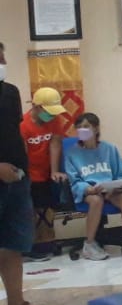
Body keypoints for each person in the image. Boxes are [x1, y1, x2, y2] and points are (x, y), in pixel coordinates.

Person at [0, 42, 57, 305]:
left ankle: (17, 303)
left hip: (18, 179)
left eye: (2, 55)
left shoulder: (9, 92)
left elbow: (11, 134)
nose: (2, 61)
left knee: (13, 243)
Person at [61, 112, 122, 261]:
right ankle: (89, 245)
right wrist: (87, 189)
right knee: (96, 200)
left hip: (109, 189)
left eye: (86, 126)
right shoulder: (71, 153)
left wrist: (118, 186)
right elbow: (73, 180)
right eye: (79, 127)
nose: (82, 130)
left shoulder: (109, 149)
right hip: (89, 191)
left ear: (96, 129)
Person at [20, 86, 71, 261]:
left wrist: (54, 171)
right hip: (27, 172)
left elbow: (55, 144)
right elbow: (21, 154)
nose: (52, 115)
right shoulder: (22, 124)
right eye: (48, 111)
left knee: (47, 206)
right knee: (30, 208)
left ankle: (46, 241)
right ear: (36, 106)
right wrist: (26, 176)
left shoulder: (55, 121)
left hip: (45, 171)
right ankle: (29, 246)